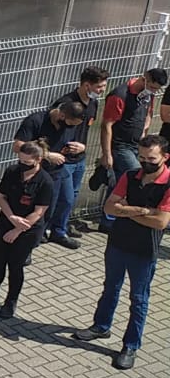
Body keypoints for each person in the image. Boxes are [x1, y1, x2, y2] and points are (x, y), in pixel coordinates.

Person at [73, 134, 169, 371]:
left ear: (165, 157)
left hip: (144, 250)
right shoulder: (130, 175)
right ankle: (101, 326)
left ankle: (130, 345)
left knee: (138, 299)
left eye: (151, 159)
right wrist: (143, 211)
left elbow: (160, 222)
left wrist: (126, 209)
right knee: (110, 287)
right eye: (142, 157)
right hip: (117, 243)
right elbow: (109, 207)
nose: (145, 162)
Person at [0, 140, 54, 319]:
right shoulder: (12, 172)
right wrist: (11, 218)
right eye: (20, 160)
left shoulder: (45, 182)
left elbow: (39, 211)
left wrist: (17, 230)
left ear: (38, 160)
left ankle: (11, 302)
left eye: (27, 162)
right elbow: (2, 197)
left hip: (28, 230)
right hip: (6, 222)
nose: (22, 165)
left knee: (15, 266)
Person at [13, 100, 87, 251]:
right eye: (70, 124)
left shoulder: (70, 124)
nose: (71, 127)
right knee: (38, 210)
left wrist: (80, 147)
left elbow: (72, 140)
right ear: (61, 115)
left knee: (65, 201)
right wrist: (47, 155)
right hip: (36, 172)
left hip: (58, 171)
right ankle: (28, 245)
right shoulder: (36, 120)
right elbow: (18, 146)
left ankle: (56, 233)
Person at [98, 68, 166, 232]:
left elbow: (148, 113)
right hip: (120, 145)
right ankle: (116, 217)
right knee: (134, 175)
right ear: (145, 78)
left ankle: (111, 218)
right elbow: (107, 125)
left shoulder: (147, 95)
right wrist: (107, 154)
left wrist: (144, 133)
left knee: (121, 181)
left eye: (157, 89)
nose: (153, 91)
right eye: (152, 87)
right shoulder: (120, 95)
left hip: (137, 145)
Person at [51, 66, 108, 244]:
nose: (102, 90)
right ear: (86, 85)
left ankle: (62, 224)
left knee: (73, 195)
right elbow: (52, 130)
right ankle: (57, 231)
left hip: (80, 158)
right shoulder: (66, 103)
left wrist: (83, 147)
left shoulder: (93, 103)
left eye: (104, 86)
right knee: (66, 197)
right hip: (63, 159)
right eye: (99, 87)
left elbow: (87, 128)